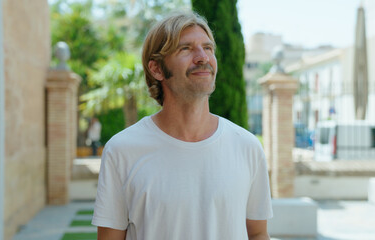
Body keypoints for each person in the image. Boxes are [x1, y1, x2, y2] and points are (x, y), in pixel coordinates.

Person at [92, 11, 273, 240]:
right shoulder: (121, 150)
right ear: (157, 69)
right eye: (185, 49)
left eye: (208, 48)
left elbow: (257, 234)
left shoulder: (247, 147)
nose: (202, 57)